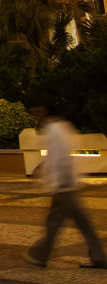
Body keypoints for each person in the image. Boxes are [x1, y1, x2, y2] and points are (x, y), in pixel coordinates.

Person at [26, 104, 107, 270]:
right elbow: (57, 156)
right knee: (83, 224)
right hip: (69, 184)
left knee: (53, 224)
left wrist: (58, 184)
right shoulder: (63, 127)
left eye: (38, 112)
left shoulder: (53, 130)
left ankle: (40, 255)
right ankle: (99, 257)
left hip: (63, 186)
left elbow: (59, 159)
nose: (36, 115)